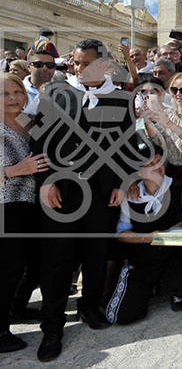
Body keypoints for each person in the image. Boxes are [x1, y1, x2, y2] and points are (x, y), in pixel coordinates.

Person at [32, 39, 141, 362]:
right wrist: (45, 182)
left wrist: (122, 183)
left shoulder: (122, 99)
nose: (78, 69)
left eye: (85, 63)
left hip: (101, 191)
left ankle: (90, 306)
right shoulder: (56, 93)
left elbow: (127, 145)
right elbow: (38, 141)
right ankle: (52, 326)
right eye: (76, 63)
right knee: (57, 259)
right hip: (61, 191)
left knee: (96, 253)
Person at [106, 151, 182, 324]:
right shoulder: (130, 195)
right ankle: (150, 287)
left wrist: (177, 227)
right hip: (144, 261)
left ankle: (175, 291)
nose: (157, 166)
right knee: (120, 316)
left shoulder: (181, 187)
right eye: (150, 164)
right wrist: (148, 237)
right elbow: (121, 234)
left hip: (175, 256)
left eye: (158, 161)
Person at [0, 73, 47, 353]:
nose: (13, 98)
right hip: (6, 205)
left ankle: (17, 308)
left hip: (34, 203)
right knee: (8, 268)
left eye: (17, 91)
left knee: (34, 263)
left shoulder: (30, 121)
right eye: (5, 94)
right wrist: (16, 170)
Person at [143, 72, 182, 187]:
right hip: (171, 171)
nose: (178, 94)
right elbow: (157, 139)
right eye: (174, 90)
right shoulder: (168, 113)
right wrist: (147, 120)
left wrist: (167, 123)